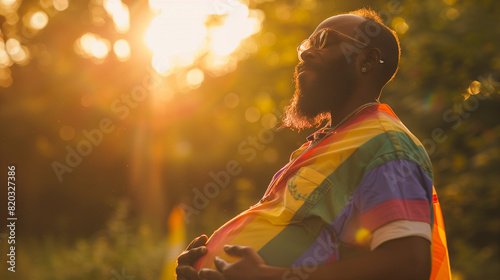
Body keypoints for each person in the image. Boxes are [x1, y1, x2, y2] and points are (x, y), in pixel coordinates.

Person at [176, 8, 451, 280]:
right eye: (306, 45)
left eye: (324, 41)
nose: (306, 52)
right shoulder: (320, 146)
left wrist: (271, 276)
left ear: (367, 60)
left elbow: (408, 265)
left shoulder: (386, 145)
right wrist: (205, 261)